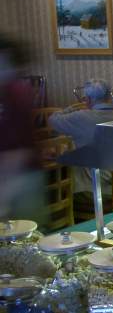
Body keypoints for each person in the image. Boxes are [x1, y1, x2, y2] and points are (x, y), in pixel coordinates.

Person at [49, 79, 113, 203]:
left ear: (87, 99)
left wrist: (73, 107)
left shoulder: (81, 117)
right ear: (109, 97)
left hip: (95, 191)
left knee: (51, 182)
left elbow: (53, 120)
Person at [0, 35, 46, 223]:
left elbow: (19, 150)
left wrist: (4, 193)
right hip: (16, 176)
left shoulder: (16, 91)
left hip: (21, 178)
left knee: (27, 232)